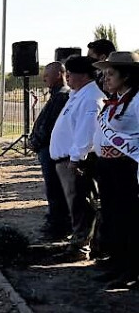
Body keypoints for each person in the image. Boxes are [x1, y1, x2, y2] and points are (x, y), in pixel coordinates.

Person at [49, 55, 105, 261]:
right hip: (66, 160)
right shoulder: (78, 95)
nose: (68, 79)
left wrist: (75, 158)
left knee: (81, 204)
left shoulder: (91, 98)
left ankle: (82, 247)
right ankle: (79, 242)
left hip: (77, 161)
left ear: (81, 75)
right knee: (75, 204)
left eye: (70, 74)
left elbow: (87, 131)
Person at [91, 51, 139, 289]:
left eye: (111, 74)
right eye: (104, 74)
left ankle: (131, 269)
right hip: (107, 167)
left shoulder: (137, 100)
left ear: (127, 75)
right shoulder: (115, 100)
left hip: (127, 169)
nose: (105, 79)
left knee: (128, 219)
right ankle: (117, 263)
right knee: (112, 217)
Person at [28, 61, 72, 239]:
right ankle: (55, 221)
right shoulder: (55, 95)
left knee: (55, 189)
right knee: (52, 188)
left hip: (51, 150)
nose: (44, 78)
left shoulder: (62, 96)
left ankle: (58, 226)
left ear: (59, 75)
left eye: (47, 74)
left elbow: (51, 126)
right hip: (46, 149)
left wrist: (36, 142)